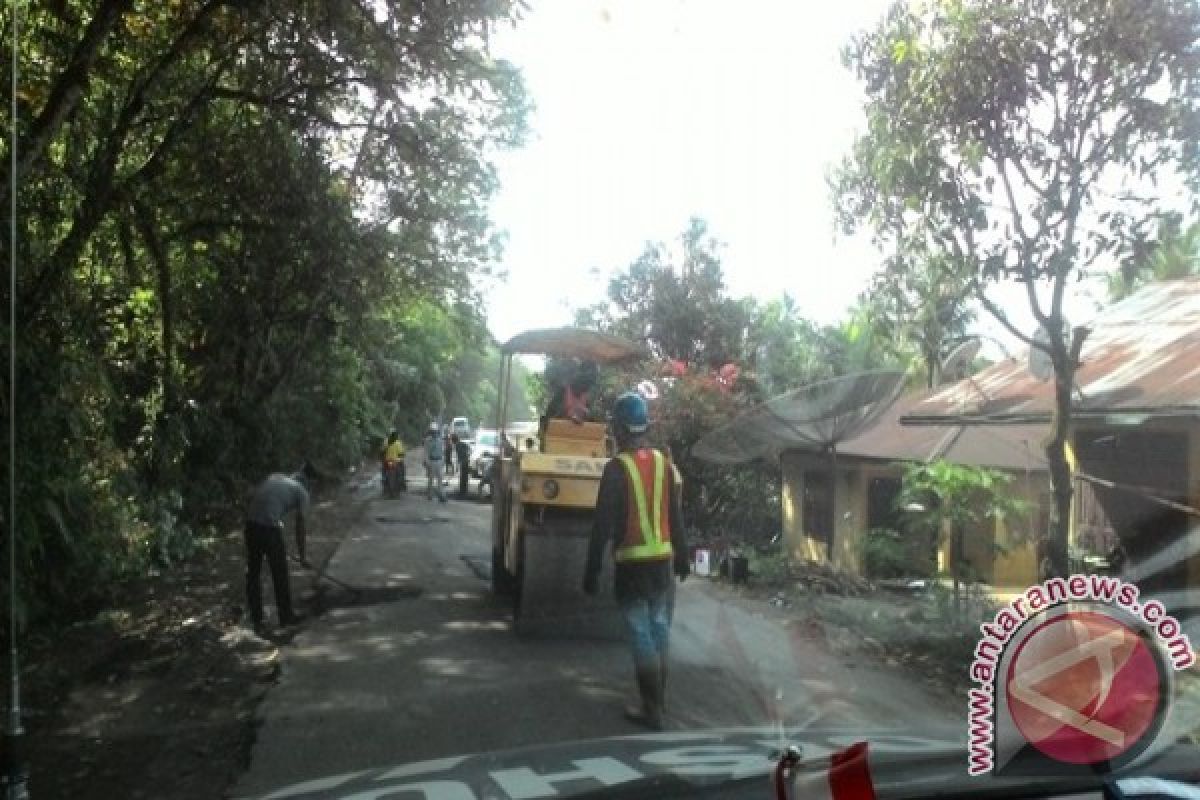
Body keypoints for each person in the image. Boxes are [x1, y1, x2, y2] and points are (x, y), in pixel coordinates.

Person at [583, 391, 689, 730]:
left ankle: (651, 710)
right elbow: (676, 516)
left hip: (631, 569)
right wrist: (683, 558)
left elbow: (601, 524)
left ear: (618, 427)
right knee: (660, 631)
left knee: (642, 634)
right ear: (644, 426)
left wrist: (592, 569)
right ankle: (660, 701)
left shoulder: (617, 468)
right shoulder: (664, 464)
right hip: (662, 567)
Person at [244, 463, 316, 632]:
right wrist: (303, 557)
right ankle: (286, 617)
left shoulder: (277, 477)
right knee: (280, 573)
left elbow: (254, 498)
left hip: (251, 526)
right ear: (311, 481)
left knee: (253, 573)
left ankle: (257, 619)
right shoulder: (302, 491)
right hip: (269, 529)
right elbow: (300, 527)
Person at [423, 424, 447, 502]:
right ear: (431, 432)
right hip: (432, 461)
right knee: (431, 479)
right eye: (433, 432)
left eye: (435, 432)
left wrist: (443, 461)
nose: (434, 433)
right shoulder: (427, 441)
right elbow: (426, 452)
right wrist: (427, 462)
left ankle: (441, 495)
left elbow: (442, 452)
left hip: (439, 461)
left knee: (440, 479)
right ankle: (430, 495)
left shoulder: (440, 441)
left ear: (437, 432)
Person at [382, 430, 406, 494]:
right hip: (396, 461)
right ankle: (402, 484)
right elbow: (401, 453)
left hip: (387, 461)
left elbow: (383, 451)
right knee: (401, 472)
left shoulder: (386, 441)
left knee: (384, 472)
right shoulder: (398, 443)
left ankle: (385, 485)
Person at [453, 433, 471, 498]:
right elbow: (468, 449)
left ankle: (462, 492)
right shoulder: (462, 443)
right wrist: (467, 456)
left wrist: (459, 463)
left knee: (463, 477)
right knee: (464, 477)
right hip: (465, 461)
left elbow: (459, 456)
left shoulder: (457, 445)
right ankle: (463, 491)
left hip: (464, 462)